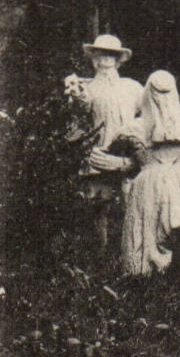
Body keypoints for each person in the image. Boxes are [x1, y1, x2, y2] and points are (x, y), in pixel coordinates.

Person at [109, 71, 180, 275]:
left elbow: (112, 146)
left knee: (149, 223)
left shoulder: (131, 129)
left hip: (148, 181)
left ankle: (145, 270)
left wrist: (126, 164)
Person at [66, 34, 145, 253]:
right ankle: (100, 254)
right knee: (100, 205)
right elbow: (78, 114)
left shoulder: (132, 87)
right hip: (99, 154)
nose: (105, 61)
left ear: (119, 60)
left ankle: (133, 253)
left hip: (128, 155)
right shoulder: (88, 88)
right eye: (100, 56)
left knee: (133, 203)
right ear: (94, 59)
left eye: (111, 56)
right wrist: (76, 94)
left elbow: (147, 113)